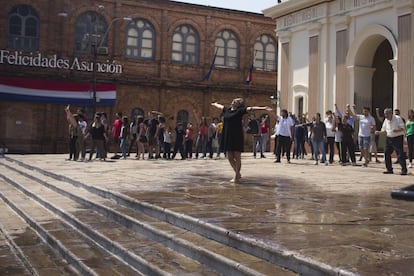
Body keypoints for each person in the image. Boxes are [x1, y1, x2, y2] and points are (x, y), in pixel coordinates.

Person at [211, 98, 272, 183]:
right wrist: (215, 104)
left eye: (236, 101)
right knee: (229, 157)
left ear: (238, 104)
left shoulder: (240, 111)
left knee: (237, 156)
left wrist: (263, 108)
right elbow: (220, 106)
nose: (233, 101)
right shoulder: (227, 110)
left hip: (237, 135)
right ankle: (238, 173)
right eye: (234, 100)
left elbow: (251, 108)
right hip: (227, 135)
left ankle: (236, 177)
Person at [375, 108, 407, 175]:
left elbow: (403, 128)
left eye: (387, 114)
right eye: (385, 114)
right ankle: (389, 169)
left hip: (397, 138)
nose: (385, 115)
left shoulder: (398, 119)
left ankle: (404, 170)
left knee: (400, 154)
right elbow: (384, 130)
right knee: (386, 152)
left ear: (390, 113)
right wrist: (379, 132)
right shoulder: (386, 120)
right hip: (389, 138)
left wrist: (397, 130)